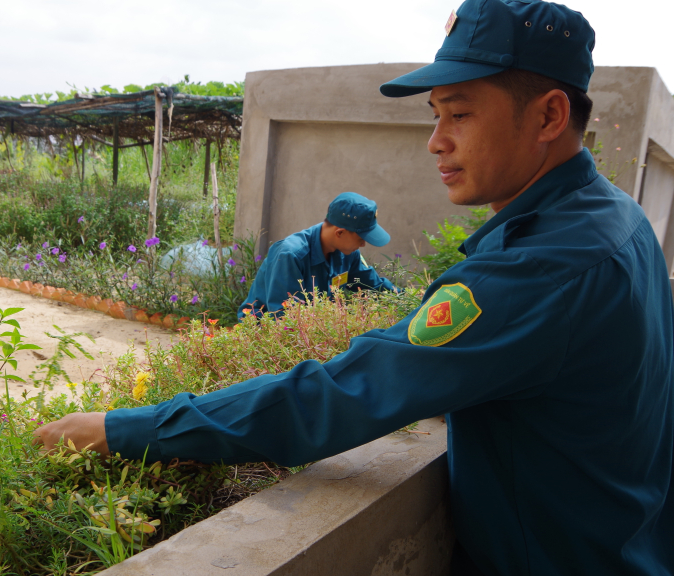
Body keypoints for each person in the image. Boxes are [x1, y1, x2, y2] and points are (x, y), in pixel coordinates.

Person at [35, 0, 673, 574]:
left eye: (459, 113)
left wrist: (130, 428)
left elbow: (341, 394)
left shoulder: (546, 267)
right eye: (434, 115)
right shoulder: (617, 219)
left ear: (549, 116)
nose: (436, 141)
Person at [238, 192, 397, 320]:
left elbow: (374, 287)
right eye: (361, 239)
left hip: (314, 330)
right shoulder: (290, 255)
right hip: (267, 333)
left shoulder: (348, 253)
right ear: (339, 233)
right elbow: (284, 316)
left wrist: (409, 300)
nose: (363, 245)